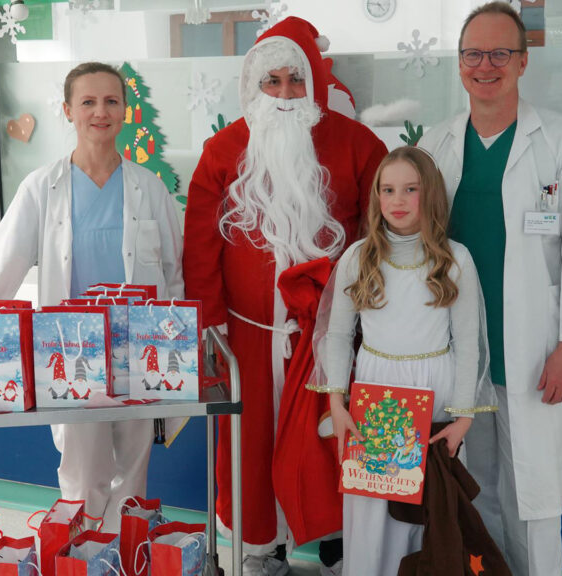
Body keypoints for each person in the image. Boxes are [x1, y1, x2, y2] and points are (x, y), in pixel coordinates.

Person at [0, 62, 184, 532]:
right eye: (88, 102)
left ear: (125, 110)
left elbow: (174, 278)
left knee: (133, 478)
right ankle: (85, 558)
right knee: (80, 478)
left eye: (111, 101)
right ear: (68, 111)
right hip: (71, 358)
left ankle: (127, 555)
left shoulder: (149, 189)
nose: (101, 111)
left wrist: (180, 354)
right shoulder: (41, 189)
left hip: (139, 357)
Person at [183, 16, 387, 576]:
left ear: (314, 84)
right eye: (271, 82)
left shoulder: (357, 146)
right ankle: (260, 548)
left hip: (330, 333)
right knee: (250, 439)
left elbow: (381, 237)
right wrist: (209, 325)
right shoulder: (222, 151)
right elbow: (201, 245)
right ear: (254, 86)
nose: (283, 94)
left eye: (294, 81)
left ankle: (336, 542)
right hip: (247, 334)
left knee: (331, 437)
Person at [417, 4, 562, 575]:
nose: (486, 65)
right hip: (460, 358)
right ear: (459, 65)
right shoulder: (436, 145)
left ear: (523, 62)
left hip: (533, 355)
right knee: (475, 495)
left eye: (501, 52)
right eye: (474, 53)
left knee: (535, 499)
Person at [319, 146, 497, 576]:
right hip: (377, 393)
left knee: (429, 506)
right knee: (375, 505)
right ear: (377, 197)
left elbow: (468, 343)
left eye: (410, 189)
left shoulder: (454, 260)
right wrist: (337, 405)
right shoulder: (359, 257)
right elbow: (338, 335)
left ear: (430, 195)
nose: (398, 200)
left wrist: (463, 420)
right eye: (388, 189)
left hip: (434, 395)